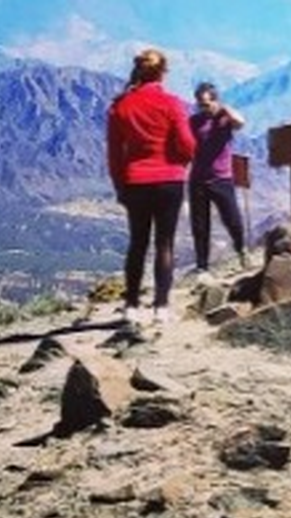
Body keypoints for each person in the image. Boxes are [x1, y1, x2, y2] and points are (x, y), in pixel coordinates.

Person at [106, 48, 195, 325]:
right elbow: (188, 146)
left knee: (137, 243)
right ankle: (161, 307)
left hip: (136, 182)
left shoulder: (120, 106)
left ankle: (131, 306)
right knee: (165, 244)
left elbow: (114, 154)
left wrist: (121, 186)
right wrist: (178, 161)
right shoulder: (173, 104)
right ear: (163, 73)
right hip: (170, 180)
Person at [188, 82, 249, 274]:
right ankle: (202, 266)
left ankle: (241, 251)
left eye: (205, 103)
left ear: (215, 101)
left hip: (222, 179)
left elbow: (241, 122)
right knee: (199, 226)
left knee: (233, 220)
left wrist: (224, 110)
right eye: (199, 104)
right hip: (198, 179)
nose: (202, 108)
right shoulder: (194, 121)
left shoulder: (225, 119)